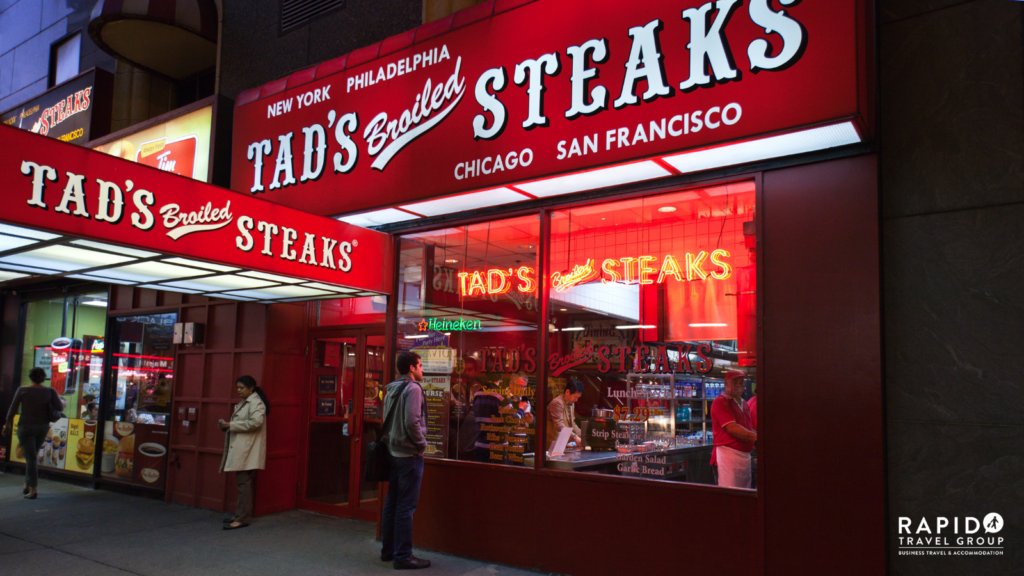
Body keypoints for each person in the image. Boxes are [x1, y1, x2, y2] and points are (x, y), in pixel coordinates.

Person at [380, 351, 430, 570]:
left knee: (392, 502)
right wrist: (422, 445)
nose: (422, 369)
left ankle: (388, 550)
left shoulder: (391, 388)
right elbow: (412, 422)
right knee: (406, 506)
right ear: (411, 368)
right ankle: (403, 555)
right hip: (409, 455)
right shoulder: (413, 389)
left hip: (392, 453)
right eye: (420, 365)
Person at [2, 367, 63, 499]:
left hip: (26, 428)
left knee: (31, 459)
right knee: (32, 457)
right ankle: (27, 485)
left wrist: (7, 424)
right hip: (42, 428)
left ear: (30, 377)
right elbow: (60, 407)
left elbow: (12, 409)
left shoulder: (23, 390)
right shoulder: (50, 391)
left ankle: (33, 489)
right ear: (43, 378)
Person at [218, 375, 269, 530]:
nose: (239, 391)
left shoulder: (255, 403)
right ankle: (240, 515)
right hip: (244, 448)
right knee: (243, 483)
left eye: (241, 388)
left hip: (247, 449)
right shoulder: (248, 402)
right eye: (238, 388)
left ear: (251, 388)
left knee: (244, 483)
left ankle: (241, 518)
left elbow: (256, 423)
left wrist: (231, 425)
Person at [710, 370, 756, 489]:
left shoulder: (744, 403)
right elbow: (732, 428)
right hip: (727, 457)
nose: (739, 385)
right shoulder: (721, 401)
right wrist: (757, 437)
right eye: (735, 382)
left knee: (743, 496)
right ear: (726, 384)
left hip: (744, 458)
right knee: (729, 497)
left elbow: (748, 427)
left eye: (741, 382)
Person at [547, 379, 583, 449]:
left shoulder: (571, 403)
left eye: (578, 397)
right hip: (553, 444)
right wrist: (575, 437)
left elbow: (572, 423)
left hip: (564, 444)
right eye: (575, 397)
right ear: (567, 392)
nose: (576, 400)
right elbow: (559, 425)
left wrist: (583, 436)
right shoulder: (557, 403)